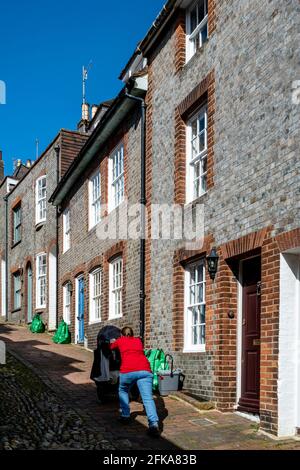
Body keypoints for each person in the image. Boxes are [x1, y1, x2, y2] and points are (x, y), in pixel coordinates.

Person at [110, 326, 160, 437]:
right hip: (144, 370)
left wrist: (112, 341)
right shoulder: (138, 340)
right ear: (132, 334)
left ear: (122, 335)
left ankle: (125, 415)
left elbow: (111, 347)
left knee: (123, 390)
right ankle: (154, 424)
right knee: (147, 398)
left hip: (128, 371)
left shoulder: (120, 340)